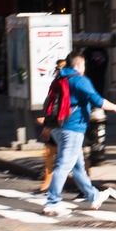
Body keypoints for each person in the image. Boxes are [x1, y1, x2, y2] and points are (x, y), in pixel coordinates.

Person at [42, 52, 116, 216]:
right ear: (80, 65)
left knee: (78, 165)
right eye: (84, 65)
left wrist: (47, 125)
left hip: (57, 127)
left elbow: (50, 102)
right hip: (73, 128)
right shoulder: (80, 80)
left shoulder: (60, 78)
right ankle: (52, 201)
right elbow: (97, 100)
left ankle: (93, 196)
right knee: (64, 165)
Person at [34, 56, 70, 194]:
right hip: (54, 123)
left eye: (60, 68)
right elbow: (50, 104)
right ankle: (47, 182)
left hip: (67, 124)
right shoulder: (56, 84)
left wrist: (48, 123)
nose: (58, 71)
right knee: (49, 153)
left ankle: (86, 187)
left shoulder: (69, 84)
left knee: (78, 158)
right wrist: (47, 123)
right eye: (57, 68)